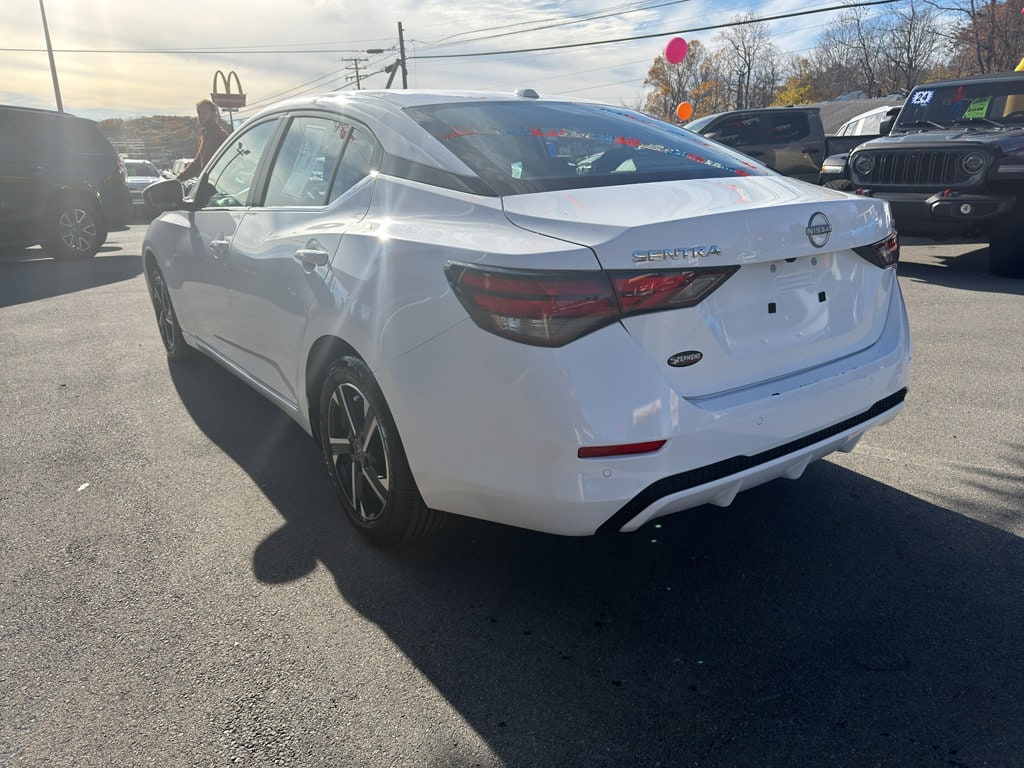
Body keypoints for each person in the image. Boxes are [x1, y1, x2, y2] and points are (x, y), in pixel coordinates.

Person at [175, 99, 229, 181]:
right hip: (207, 183)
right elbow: (197, 163)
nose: (201, 116)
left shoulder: (221, 136)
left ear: (214, 114)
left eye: (204, 113)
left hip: (218, 185)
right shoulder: (205, 135)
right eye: (199, 113)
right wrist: (178, 179)